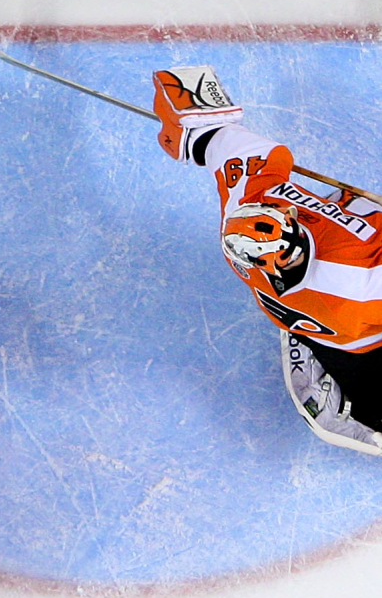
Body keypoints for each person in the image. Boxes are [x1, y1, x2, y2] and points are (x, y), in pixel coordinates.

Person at [152, 66, 382, 455]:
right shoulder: (358, 285)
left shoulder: (250, 203)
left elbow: (211, 135)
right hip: (357, 340)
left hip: (329, 323)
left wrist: (195, 121)